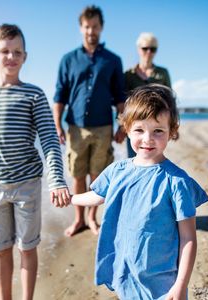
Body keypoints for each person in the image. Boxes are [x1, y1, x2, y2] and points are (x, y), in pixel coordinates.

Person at [71, 84, 208, 299]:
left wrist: (180, 285)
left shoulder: (176, 181)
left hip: (163, 283)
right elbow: (98, 196)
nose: (147, 139)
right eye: (139, 130)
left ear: (172, 132)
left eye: (158, 131)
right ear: (126, 129)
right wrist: (71, 198)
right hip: (127, 273)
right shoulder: (117, 170)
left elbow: (188, 238)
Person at [0, 24, 70, 300]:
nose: (11, 57)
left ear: (25, 56)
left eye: (17, 52)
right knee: (0, 248)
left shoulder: (33, 94)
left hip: (27, 186)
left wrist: (57, 180)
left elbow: (49, 140)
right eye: (5, 51)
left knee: (27, 247)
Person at [53, 5, 126, 237]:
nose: (91, 31)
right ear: (81, 28)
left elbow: (120, 97)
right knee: (77, 175)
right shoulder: (68, 59)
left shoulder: (113, 60)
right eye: (87, 27)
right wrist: (57, 125)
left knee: (97, 175)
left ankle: (92, 218)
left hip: (104, 127)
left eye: (95, 27)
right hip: (75, 127)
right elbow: (59, 95)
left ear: (101, 27)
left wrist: (122, 124)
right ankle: (78, 220)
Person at [125, 32, 171, 157]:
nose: (149, 52)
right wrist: (121, 126)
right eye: (145, 48)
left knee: (155, 158)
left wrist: (173, 124)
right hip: (136, 125)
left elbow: (170, 100)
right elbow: (123, 103)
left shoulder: (163, 73)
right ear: (138, 49)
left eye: (153, 49)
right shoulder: (128, 75)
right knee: (134, 159)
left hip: (157, 125)